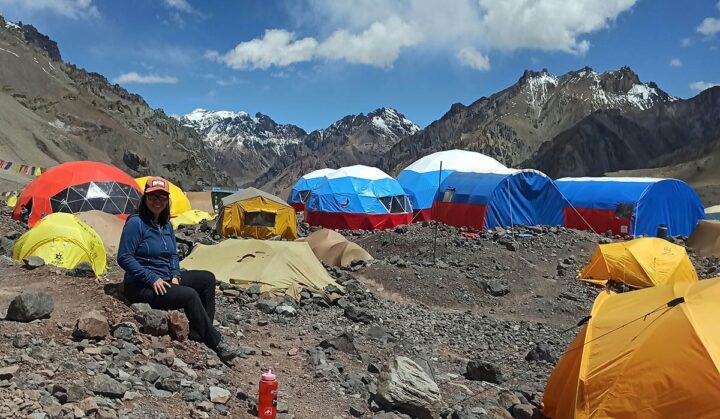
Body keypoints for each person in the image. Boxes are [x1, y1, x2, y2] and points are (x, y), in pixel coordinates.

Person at [117, 177, 240, 360]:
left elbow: (173, 255)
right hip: (142, 285)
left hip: (165, 279)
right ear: (145, 199)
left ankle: (200, 330)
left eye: (162, 197)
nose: (157, 201)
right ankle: (215, 341)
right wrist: (151, 278)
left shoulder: (165, 224)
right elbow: (124, 257)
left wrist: (175, 274)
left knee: (207, 279)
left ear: (167, 200)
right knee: (189, 295)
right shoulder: (136, 223)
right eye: (153, 197)